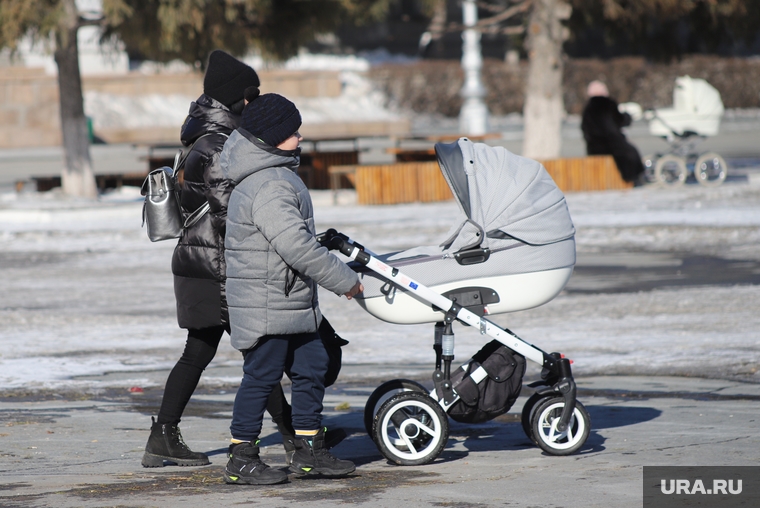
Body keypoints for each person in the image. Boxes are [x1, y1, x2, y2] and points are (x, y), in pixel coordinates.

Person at [142, 50, 343, 468]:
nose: (256, 101)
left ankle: (165, 436)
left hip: (206, 263)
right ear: (237, 100)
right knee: (263, 353)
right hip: (220, 266)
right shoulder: (221, 145)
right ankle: (293, 438)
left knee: (209, 351)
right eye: (251, 95)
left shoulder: (211, 137)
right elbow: (233, 214)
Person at [220, 90, 363, 485]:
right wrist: (346, 282)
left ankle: (308, 451)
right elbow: (296, 246)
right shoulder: (269, 185)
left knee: (312, 365)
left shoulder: (275, 176)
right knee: (262, 376)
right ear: (271, 137)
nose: (300, 137)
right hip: (268, 302)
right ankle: (241, 456)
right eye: (293, 131)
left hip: (288, 299)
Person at [581, 80, 645, 184]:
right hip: (613, 143)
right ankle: (634, 180)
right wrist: (627, 117)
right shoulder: (609, 104)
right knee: (631, 153)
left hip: (594, 147)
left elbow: (584, 128)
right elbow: (619, 120)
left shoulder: (588, 108)